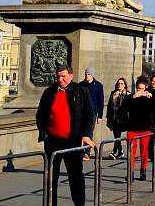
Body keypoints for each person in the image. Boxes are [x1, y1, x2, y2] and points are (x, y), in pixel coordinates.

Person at [35, 65, 95, 206]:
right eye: (58, 76)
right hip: (52, 142)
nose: (60, 79)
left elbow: (90, 115)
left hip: (73, 142)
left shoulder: (81, 91)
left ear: (71, 76)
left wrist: (86, 134)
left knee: (75, 177)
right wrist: (44, 132)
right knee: (51, 178)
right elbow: (40, 114)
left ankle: (79, 204)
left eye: (63, 76)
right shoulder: (49, 92)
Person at [119, 76, 155, 181]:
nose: (140, 91)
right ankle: (130, 172)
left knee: (144, 151)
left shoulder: (149, 98)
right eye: (138, 89)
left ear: (146, 88)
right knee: (131, 151)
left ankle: (143, 171)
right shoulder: (131, 98)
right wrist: (132, 97)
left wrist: (152, 98)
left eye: (142, 89)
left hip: (145, 128)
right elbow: (123, 108)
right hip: (132, 128)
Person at [80, 68, 104, 159]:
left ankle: (87, 152)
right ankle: (80, 150)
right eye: (86, 74)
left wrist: (100, 115)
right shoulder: (81, 85)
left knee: (88, 132)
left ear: (92, 75)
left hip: (92, 113)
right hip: (82, 112)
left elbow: (100, 101)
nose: (87, 76)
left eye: (89, 74)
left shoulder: (98, 86)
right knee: (81, 131)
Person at [105, 78, 129, 160]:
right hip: (114, 118)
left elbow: (127, 107)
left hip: (122, 118)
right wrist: (114, 97)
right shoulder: (113, 93)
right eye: (118, 83)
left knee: (117, 135)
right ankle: (119, 152)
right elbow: (109, 106)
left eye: (122, 83)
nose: (120, 85)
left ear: (125, 85)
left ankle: (116, 152)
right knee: (116, 135)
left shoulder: (127, 94)